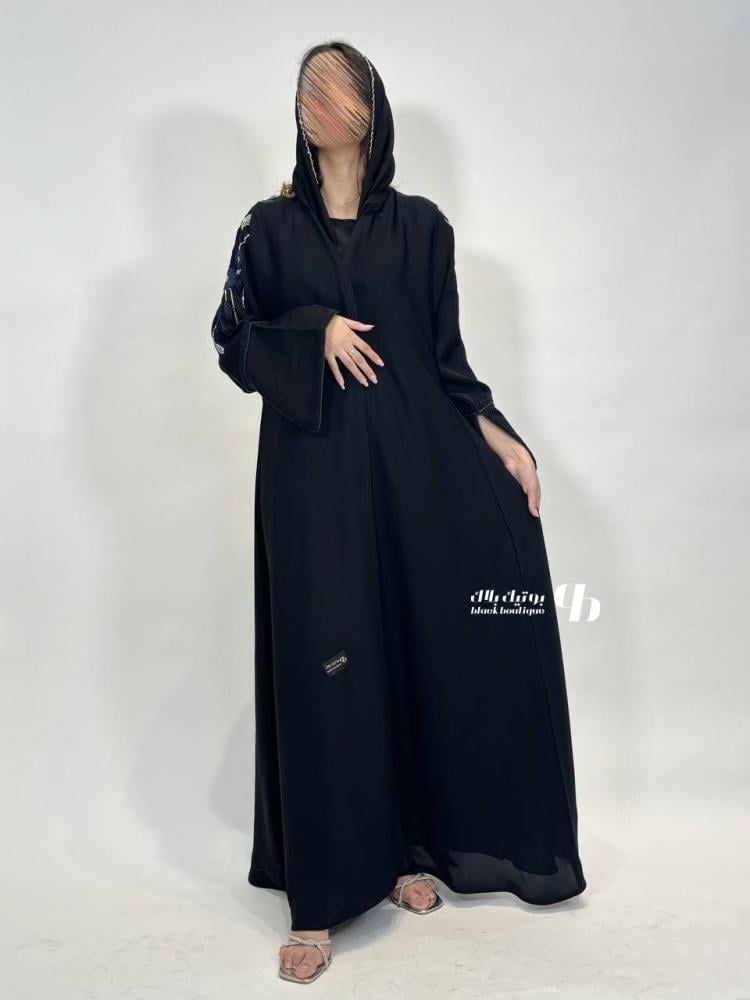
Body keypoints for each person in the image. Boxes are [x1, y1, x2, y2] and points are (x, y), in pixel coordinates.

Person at [210, 39, 587, 984]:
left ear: (370, 108)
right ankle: (320, 901)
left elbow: (444, 359)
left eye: (335, 89)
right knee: (326, 662)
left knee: (407, 652)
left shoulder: (423, 228)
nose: (316, 103)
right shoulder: (268, 228)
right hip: (312, 482)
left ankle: (405, 852)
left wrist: (502, 439)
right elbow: (231, 340)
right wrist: (312, 331)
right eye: (306, 89)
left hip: (413, 471)